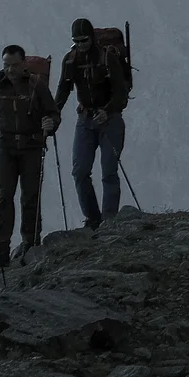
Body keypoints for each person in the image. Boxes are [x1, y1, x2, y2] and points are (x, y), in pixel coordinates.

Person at [0, 45, 60, 266]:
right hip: (5, 149)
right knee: (3, 198)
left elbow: (52, 113)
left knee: (30, 196)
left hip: (31, 147)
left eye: (15, 65)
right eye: (6, 65)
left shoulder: (37, 86)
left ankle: (30, 241)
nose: (10, 69)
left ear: (24, 63)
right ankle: (1, 248)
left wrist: (51, 123)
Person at [55, 17, 130, 229]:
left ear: (92, 38)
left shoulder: (108, 58)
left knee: (108, 171)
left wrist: (107, 111)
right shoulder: (70, 60)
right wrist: (53, 113)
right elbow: (63, 89)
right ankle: (93, 219)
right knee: (80, 171)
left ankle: (109, 221)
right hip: (86, 119)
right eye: (76, 41)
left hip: (111, 120)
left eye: (84, 40)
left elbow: (120, 92)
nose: (81, 45)